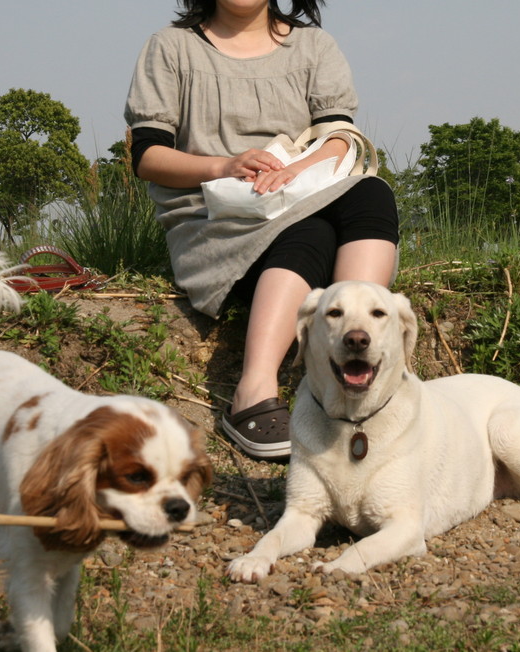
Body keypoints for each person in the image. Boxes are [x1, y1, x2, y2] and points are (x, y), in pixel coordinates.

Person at [124, 0, 399, 460]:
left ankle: (358, 352)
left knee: (371, 192)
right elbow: (147, 157)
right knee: (308, 233)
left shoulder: (314, 46)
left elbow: (338, 136)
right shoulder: (171, 48)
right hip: (215, 221)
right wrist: (225, 165)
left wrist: (296, 172)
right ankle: (252, 394)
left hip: (297, 196)